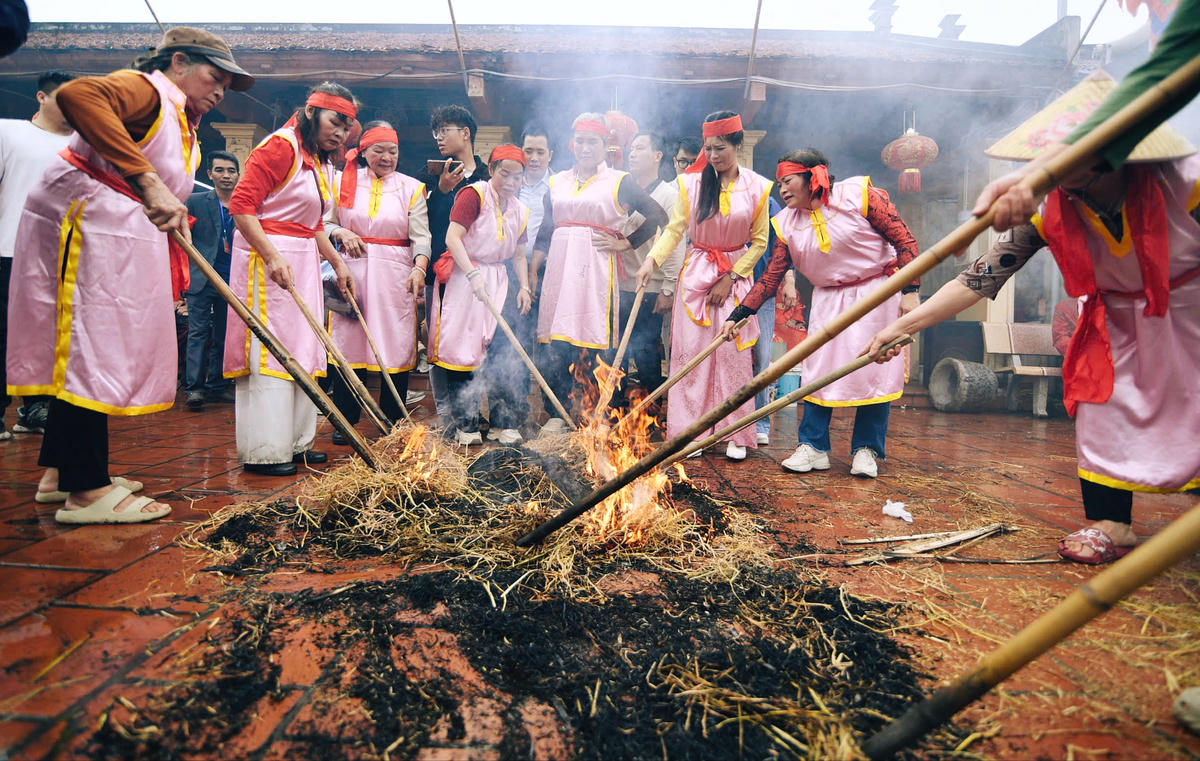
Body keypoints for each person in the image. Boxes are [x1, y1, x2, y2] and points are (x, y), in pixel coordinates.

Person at [867, 76, 1199, 564]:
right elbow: (977, 280)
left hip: (1190, 314)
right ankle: (1111, 523)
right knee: (1103, 414)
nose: (1054, 170)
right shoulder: (1050, 209)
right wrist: (903, 327)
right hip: (1114, 325)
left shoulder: (1186, 184)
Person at [6, 27, 252, 522]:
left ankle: (62, 474)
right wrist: (147, 182)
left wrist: (171, 202)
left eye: (227, 84)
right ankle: (87, 491)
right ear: (178, 63)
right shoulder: (148, 88)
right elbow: (77, 94)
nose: (221, 91)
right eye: (214, 76)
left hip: (116, 231)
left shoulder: (180, 115)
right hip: (90, 223)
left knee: (98, 345)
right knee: (89, 349)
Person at [723, 149, 920, 476]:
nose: (781, 190)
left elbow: (905, 240)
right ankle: (813, 447)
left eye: (787, 181)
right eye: (778, 183)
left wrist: (911, 290)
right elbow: (773, 275)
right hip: (828, 298)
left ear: (812, 176)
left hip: (878, 291)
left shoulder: (859, 196)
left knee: (874, 369)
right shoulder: (786, 223)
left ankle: (866, 450)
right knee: (817, 370)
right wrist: (740, 313)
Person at [972, 0, 1200, 232]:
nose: (1068, 179)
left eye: (1085, 163)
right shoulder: (1052, 210)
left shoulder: (1186, 192)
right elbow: (1163, 73)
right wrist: (1030, 176)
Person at [223, 82, 356, 476]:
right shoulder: (280, 146)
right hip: (269, 261)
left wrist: (337, 263)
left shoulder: (313, 159)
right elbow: (241, 206)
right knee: (273, 353)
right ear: (313, 112)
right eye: (335, 121)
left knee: (303, 350)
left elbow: (313, 223)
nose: (340, 132)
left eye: (347, 127)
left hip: (302, 260)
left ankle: (297, 443)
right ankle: (267, 450)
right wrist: (271, 255)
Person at [636, 111, 773, 461]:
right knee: (691, 357)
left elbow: (759, 242)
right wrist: (651, 260)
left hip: (735, 277)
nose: (713, 156)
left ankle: (734, 435)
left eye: (721, 148)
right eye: (709, 149)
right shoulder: (691, 184)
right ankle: (689, 434)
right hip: (696, 274)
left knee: (732, 356)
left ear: (738, 145)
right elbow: (675, 230)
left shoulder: (758, 187)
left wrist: (730, 277)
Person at [530, 112, 669, 433]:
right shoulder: (558, 181)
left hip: (595, 270)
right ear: (572, 143)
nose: (585, 147)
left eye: (593, 141)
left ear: (605, 145)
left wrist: (626, 243)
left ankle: (597, 412)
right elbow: (546, 229)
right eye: (580, 141)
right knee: (557, 342)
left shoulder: (619, 181)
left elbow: (657, 215)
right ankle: (559, 413)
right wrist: (535, 269)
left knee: (594, 341)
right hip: (559, 270)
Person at [325, 120, 430, 444]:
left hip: (395, 274)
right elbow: (325, 222)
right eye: (379, 150)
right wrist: (340, 231)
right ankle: (346, 418)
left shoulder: (412, 188)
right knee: (350, 340)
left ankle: (393, 417)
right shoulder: (343, 182)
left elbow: (421, 236)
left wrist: (419, 269)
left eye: (393, 151)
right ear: (364, 151)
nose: (387, 157)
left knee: (395, 343)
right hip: (352, 271)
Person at [428, 145, 532, 445]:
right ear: (491, 170)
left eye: (518, 176)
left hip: (498, 280)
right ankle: (467, 425)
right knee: (463, 351)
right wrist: (472, 275)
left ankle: (503, 422)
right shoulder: (474, 195)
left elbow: (520, 254)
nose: (511, 182)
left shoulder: (520, 210)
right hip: (465, 277)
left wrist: (523, 286)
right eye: (505, 174)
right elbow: (452, 237)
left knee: (502, 349)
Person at [0, 70, 74, 441]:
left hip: (64, 257)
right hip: (9, 248)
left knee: (52, 338)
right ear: (42, 97)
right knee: (3, 332)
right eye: (64, 96)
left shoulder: (83, 144)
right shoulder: (9, 132)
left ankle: (34, 409)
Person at [478, 123, 554, 443]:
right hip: (506, 270)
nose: (533, 158)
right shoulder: (507, 185)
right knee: (509, 342)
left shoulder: (560, 185)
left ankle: (551, 413)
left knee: (548, 344)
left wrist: (535, 271)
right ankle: (511, 413)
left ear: (551, 154)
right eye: (529, 151)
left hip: (550, 270)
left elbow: (552, 232)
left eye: (540, 151)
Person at [417, 105, 489, 427]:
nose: (439, 138)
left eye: (445, 130)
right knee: (438, 340)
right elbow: (423, 225)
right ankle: (447, 413)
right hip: (441, 271)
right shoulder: (430, 175)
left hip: (476, 274)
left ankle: (469, 412)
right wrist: (442, 191)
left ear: (466, 133)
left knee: (472, 342)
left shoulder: (488, 176)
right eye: (436, 132)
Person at [614, 132, 685, 400]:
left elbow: (676, 242)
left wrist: (668, 288)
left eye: (640, 148)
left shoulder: (669, 194)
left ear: (657, 156)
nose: (632, 153)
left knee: (646, 352)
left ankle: (651, 412)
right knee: (616, 352)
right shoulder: (622, 190)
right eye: (630, 148)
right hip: (620, 284)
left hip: (651, 286)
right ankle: (616, 410)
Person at [183, 150, 239, 410]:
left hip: (232, 277)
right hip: (201, 276)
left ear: (238, 175)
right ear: (209, 174)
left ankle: (217, 385)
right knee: (198, 332)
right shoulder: (194, 201)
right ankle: (194, 389)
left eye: (231, 171)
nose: (226, 176)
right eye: (220, 170)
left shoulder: (244, 203)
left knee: (224, 334)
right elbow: (183, 238)